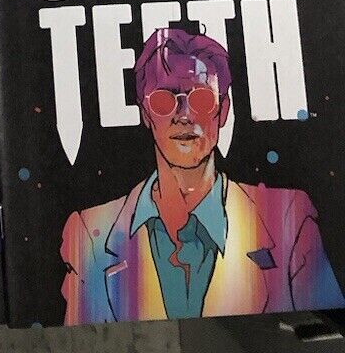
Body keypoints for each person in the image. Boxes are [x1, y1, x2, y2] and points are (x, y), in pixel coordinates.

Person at [61, 28, 344, 322]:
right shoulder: (91, 233)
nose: (184, 115)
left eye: (201, 100)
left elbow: (324, 331)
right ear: (145, 113)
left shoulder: (287, 219)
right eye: (164, 101)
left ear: (223, 111)